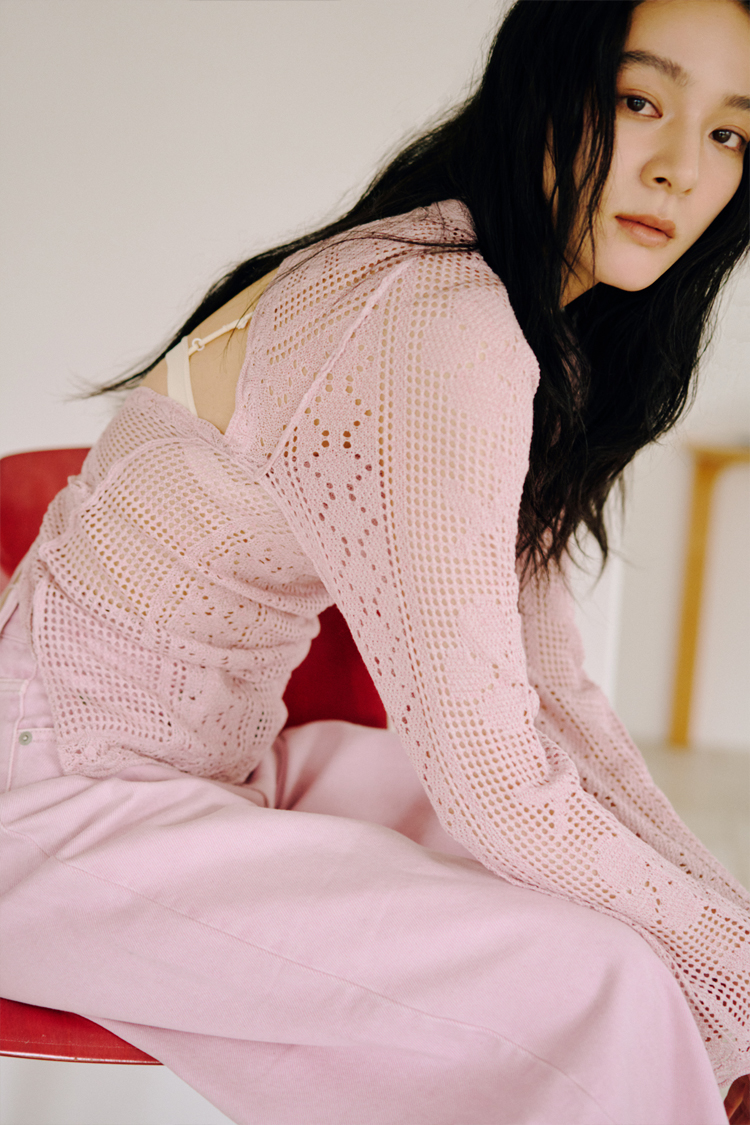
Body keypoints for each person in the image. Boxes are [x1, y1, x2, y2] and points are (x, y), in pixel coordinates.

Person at [1, 0, 748, 1121]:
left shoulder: (491, 307)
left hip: (210, 773)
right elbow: (492, 779)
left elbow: (554, 699)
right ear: (542, 87)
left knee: (634, 916)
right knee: (605, 975)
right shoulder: (432, 312)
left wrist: (728, 942)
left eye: (731, 132)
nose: (681, 168)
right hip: (49, 812)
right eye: (639, 100)